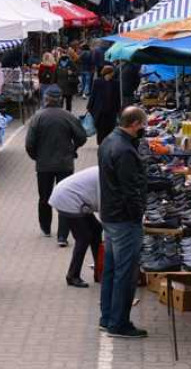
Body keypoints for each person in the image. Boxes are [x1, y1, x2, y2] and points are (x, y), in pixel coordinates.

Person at [98, 106, 149, 339]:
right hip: (124, 219)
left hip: (109, 215)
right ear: (135, 124)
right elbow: (130, 189)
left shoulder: (109, 140)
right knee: (125, 273)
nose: (144, 130)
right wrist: (138, 214)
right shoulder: (125, 150)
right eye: (143, 125)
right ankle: (119, 323)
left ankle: (107, 317)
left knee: (111, 268)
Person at [26, 85, 88, 246]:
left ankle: (46, 228)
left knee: (44, 197)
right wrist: (72, 148)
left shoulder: (37, 117)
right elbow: (82, 137)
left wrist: (37, 157)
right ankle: (63, 236)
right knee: (65, 197)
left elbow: (29, 143)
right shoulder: (68, 116)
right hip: (65, 163)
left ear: (46, 99)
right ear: (60, 99)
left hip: (44, 165)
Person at [49, 166, 102, 289]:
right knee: (84, 237)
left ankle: (100, 270)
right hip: (68, 198)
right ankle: (72, 275)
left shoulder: (106, 169)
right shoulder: (106, 176)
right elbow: (104, 205)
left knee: (96, 229)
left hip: (72, 196)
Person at [87, 65, 121, 145]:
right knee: (101, 128)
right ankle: (101, 143)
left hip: (111, 109)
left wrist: (118, 108)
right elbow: (93, 95)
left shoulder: (116, 83)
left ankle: (108, 142)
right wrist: (89, 106)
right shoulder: (97, 82)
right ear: (108, 73)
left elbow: (117, 97)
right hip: (100, 109)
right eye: (112, 73)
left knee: (110, 127)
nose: (112, 74)